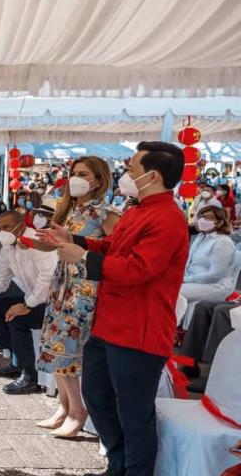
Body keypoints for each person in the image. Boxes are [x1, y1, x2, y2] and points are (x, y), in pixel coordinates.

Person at [38, 141, 188, 476]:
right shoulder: (137, 210)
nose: (126, 173)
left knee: (134, 414)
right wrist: (77, 241)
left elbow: (138, 269)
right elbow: (114, 247)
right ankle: (117, 463)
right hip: (109, 325)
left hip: (139, 331)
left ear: (152, 176)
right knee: (97, 396)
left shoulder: (168, 218)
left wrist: (83, 257)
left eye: (132, 168)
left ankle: (135, 470)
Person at [34, 156, 120, 438]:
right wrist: (42, 240)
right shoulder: (67, 207)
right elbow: (56, 246)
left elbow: (115, 250)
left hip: (84, 287)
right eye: (74, 172)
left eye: (83, 174)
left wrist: (81, 250)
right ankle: (65, 406)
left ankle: (77, 411)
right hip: (62, 282)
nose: (76, 178)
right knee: (53, 343)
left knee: (68, 346)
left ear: (98, 180)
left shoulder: (106, 213)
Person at [0, 211, 58, 393]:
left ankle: (30, 377)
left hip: (53, 302)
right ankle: (17, 362)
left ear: (21, 226)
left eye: (7, 227)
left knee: (18, 318)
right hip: (33, 298)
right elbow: (1, 280)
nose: (2, 232)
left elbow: (48, 278)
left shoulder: (37, 242)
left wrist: (27, 305)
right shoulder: (8, 248)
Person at [177, 205, 236, 329]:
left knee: (173, 293)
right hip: (196, 282)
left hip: (216, 286)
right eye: (201, 217)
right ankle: (180, 330)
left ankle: (171, 329)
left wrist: (185, 280)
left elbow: (215, 275)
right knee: (167, 288)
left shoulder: (222, 242)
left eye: (208, 218)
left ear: (220, 222)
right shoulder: (201, 237)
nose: (202, 220)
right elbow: (189, 263)